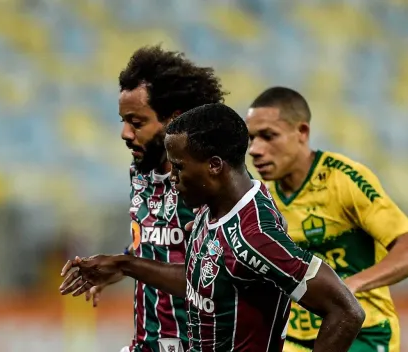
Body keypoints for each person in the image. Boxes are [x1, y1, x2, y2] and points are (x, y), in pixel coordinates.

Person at [59, 103, 365, 352]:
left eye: (179, 167)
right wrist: (125, 264)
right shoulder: (214, 208)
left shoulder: (255, 236)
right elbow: (204, 282)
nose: (173, 178)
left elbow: (346, 311)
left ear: (215, 165)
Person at [61, 45, 226, 352]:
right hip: (147, 344)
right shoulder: (141, 173)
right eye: (123, 121)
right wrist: (119, 264)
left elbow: (211, 281)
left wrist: (126, 265)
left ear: (174, 120)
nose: (125, 133)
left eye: (136, 123)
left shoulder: (213, 186)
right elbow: (154, 241)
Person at [245, 86, 408, 352]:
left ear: (302, 132)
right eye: (251, 138)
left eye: (268, 136)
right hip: (295, 339)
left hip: (362, 333)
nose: (255, 149)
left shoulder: (344, 179)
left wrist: (353, 284)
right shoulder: (262, 196)